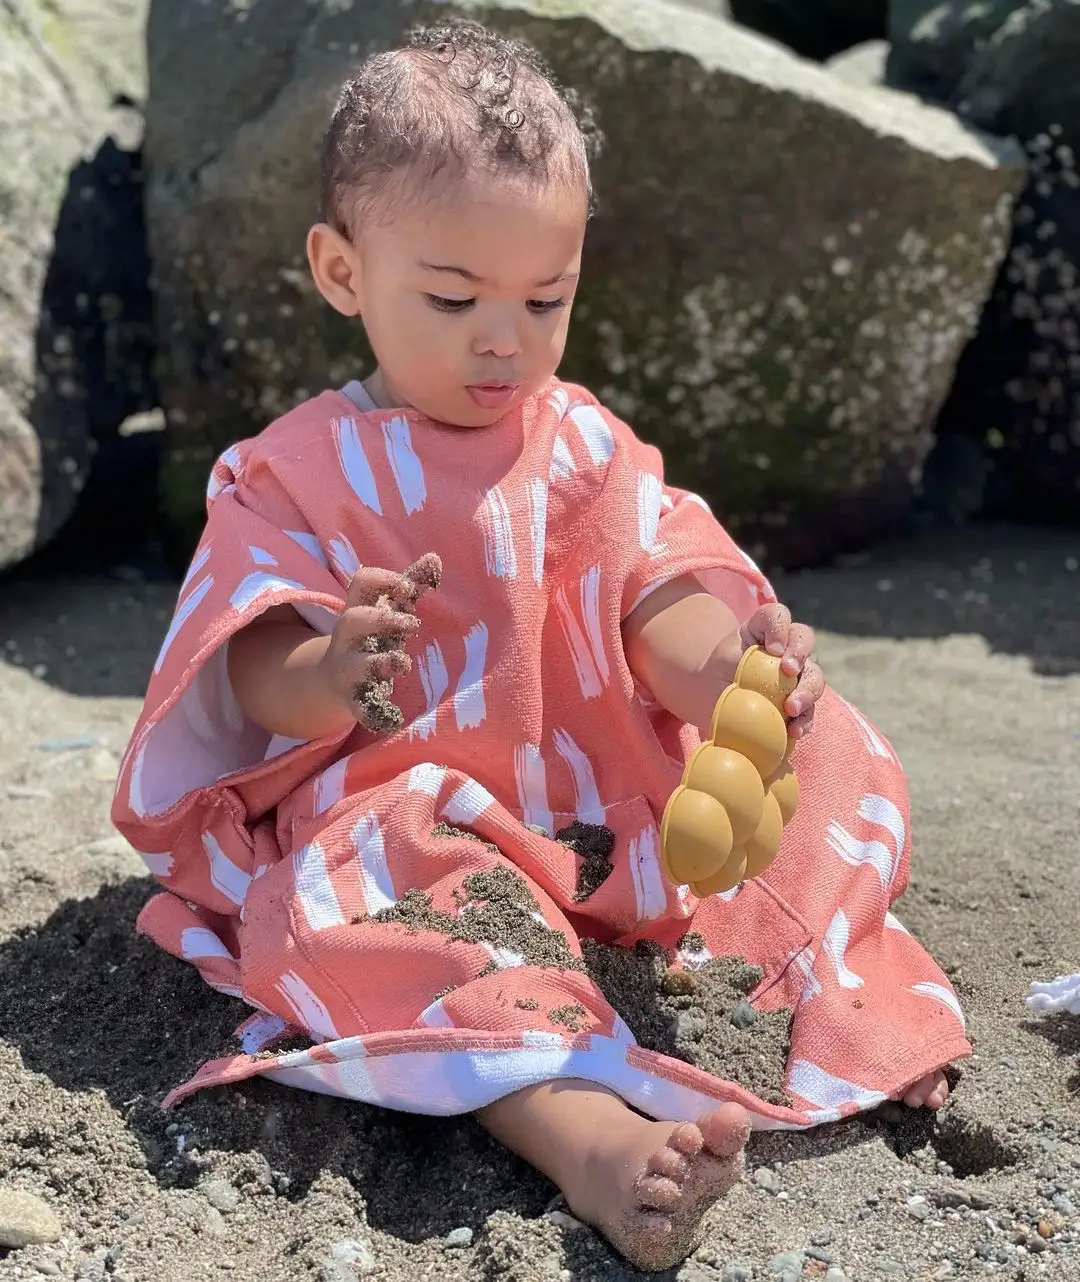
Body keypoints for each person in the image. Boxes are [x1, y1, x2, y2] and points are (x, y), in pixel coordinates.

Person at [112, 21, 968, 1271]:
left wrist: (732, 674)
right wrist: (328, 671)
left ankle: (795, 987)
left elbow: (650, 593)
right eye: (452, 299)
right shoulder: (293, 477)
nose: (502, 339)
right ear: (342, 270)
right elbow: (245, 679)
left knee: (826, 753)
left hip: (593, 808)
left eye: (544, 298)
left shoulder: (579, 446)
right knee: (415, 907)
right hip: (418, 817)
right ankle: (587, 1138)